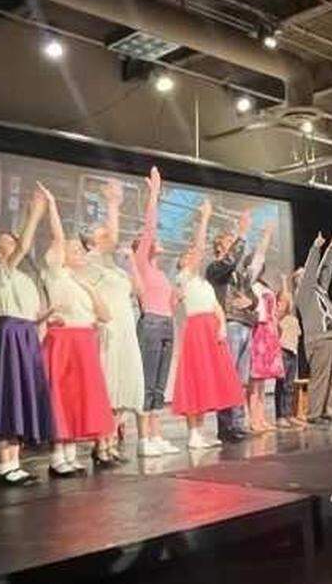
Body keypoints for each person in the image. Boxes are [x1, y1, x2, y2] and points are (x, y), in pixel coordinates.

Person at [0, 183, 56, 486]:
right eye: (7, 243)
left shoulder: (22, 277)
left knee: (22, 396)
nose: (15, 245)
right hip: (10, 336)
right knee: (7, 396)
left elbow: (31, 315)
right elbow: (24, 246)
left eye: (14, 241)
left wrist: (48, 316)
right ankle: (4, 465)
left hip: (26, 335)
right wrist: (35, 212)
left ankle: (14, 463)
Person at [39, 185, 117, 474]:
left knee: (77, 400)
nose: (78, 251)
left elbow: (105, 315)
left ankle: (71, 453)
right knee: (61, 397)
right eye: (73, 249)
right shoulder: (55, 273)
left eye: (78, 249)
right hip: (65, 342)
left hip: (84, 343)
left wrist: (88, 288)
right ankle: (58, 456)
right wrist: (51, 205)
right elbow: (58, 237)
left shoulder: (82, 283)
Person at [171, 200, 246, 448]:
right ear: (182, 264)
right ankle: (193, 434)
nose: (193, 256)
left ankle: (199, 433)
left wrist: (222, 325)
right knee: (195, 377)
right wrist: (204, 218)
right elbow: (200, 247)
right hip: (197, 329)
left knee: (206, 379)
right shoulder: (185, 277)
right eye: (188, 256)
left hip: (210, 328)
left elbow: (215, 306)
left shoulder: (202, 282)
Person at [80, 178, 145, 462]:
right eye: (102, 233)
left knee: (121, 387)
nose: (107, 236)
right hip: (109, 331)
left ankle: (109, 442)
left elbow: (139, 291)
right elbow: (113, 238)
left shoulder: (114, 269)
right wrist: (112, 204)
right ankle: (100, 444)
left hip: (126, 330)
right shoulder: (92, 260)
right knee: (107, 386)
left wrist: (130, 263)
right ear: (93, 242)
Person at [128, 166, 181, 457]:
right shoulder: (142, 264)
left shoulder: (159, 273)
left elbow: (168, 303)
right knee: (148, 381)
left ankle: (156, 435)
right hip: (150, 324)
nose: (155, 240)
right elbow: (150, 227)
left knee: (160, 383)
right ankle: (144, 438)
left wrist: (176, 302)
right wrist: (155, 194)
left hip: (166, 323)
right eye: (149, 241)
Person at [205, 209, 255, 441]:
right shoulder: (215, 269)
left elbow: (251, 294)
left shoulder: (237, 274)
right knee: (229, 377)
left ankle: (238, 422)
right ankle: (227, 426)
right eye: (230, 242)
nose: (234, 245)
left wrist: (251, 301)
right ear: (220, 248)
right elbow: (231, 260)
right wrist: (243, 233)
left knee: (242, 379)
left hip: (245, 322)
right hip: (231, 322)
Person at [295, 232, 332, 423]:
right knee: (321, 377)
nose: (307, 276)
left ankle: (327, 410)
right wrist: (316, 248)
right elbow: (311, 271)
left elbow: (324, 270)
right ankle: (314, 413)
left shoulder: (319, 291)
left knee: (331, 377)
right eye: (302, 275)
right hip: (319, 339)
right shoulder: (304, 294)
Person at [246, 222, 279, 433]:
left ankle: (261, 417)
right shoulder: (249, 283)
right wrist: (266, 235)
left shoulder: (264, 286)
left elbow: (273, 309)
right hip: (256, 329)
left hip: (268, 331)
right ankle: (253, 419)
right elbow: (258, 257)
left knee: (262, 380)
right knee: (254, 378)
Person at [275, 273, 304, 429]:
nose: (287, 303)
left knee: (290, 385)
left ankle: (289, 414)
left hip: (293, 353)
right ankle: (280, 416)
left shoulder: (292, 317)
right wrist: (284, 282)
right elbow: (283, 300)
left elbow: (289, 299)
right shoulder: (279, 317)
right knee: (282, 384)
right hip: (283, 351)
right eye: (283, 301)